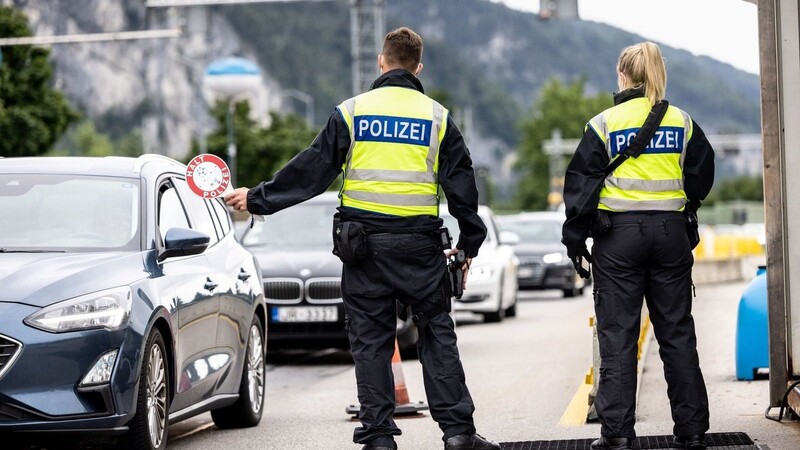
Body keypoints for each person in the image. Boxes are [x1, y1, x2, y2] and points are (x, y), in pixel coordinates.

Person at [225, 27, 499, 450]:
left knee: (371, 341)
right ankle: (459, 434)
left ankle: (378, 438)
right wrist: (468, 247)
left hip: (363, 248)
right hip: (420, 248)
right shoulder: (437, 117)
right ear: (418, 67)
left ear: (381, 61)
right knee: (437, 335)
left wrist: (257, 199)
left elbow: (313, 170)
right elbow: (464, 189)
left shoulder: (352, 112)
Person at [561, 42, 715, 450]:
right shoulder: (682, 121)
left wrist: (576, 240)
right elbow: (702, 173)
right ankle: (693, 429)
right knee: (677, 333)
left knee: (618, 336)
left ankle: (617, 435)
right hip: (670, 235)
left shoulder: (604, 124)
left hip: (618, 239)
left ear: (623, 76)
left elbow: (579, 189)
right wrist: (681, 205)